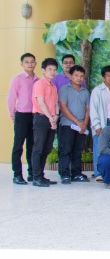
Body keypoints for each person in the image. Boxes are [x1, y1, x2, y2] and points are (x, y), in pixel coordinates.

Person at [8, 53, 38, 185]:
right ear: (22, 64)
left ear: (35, 63)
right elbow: (11, 97)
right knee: (18, 146)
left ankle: (32, 173)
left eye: (32, 61)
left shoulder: (38, 80)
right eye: (27, 62)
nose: (30, 64)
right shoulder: (17, 79)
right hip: (21, 115)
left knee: (32, 145)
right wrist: (12, 114)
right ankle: (17, 174)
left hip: (35, 115)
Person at [58, 65, 90, 184]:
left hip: (81, 127)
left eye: (81, 76)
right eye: (76, 75)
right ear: (71, 76)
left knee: (78, 150)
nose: (79, 78)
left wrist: (84, 123)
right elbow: (63, 107)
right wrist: (77, 121)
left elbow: (88, 109)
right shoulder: (64, 89)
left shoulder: (85, 91)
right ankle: (65, 174)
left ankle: (76, 173)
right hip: (67, 125)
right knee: (66, 150)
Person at [30, 58, 59, 187]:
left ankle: (41, 175)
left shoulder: (53, 86)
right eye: (49, 69)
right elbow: (41, 103)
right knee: (38, 148)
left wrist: (55, 116)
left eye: (54, 70)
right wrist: (50, 117)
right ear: (43, 70)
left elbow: (56, 104)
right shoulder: (39, 84)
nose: (52, 72)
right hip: (41, 118)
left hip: (51, 119)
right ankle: (36, 177)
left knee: (47, 148)